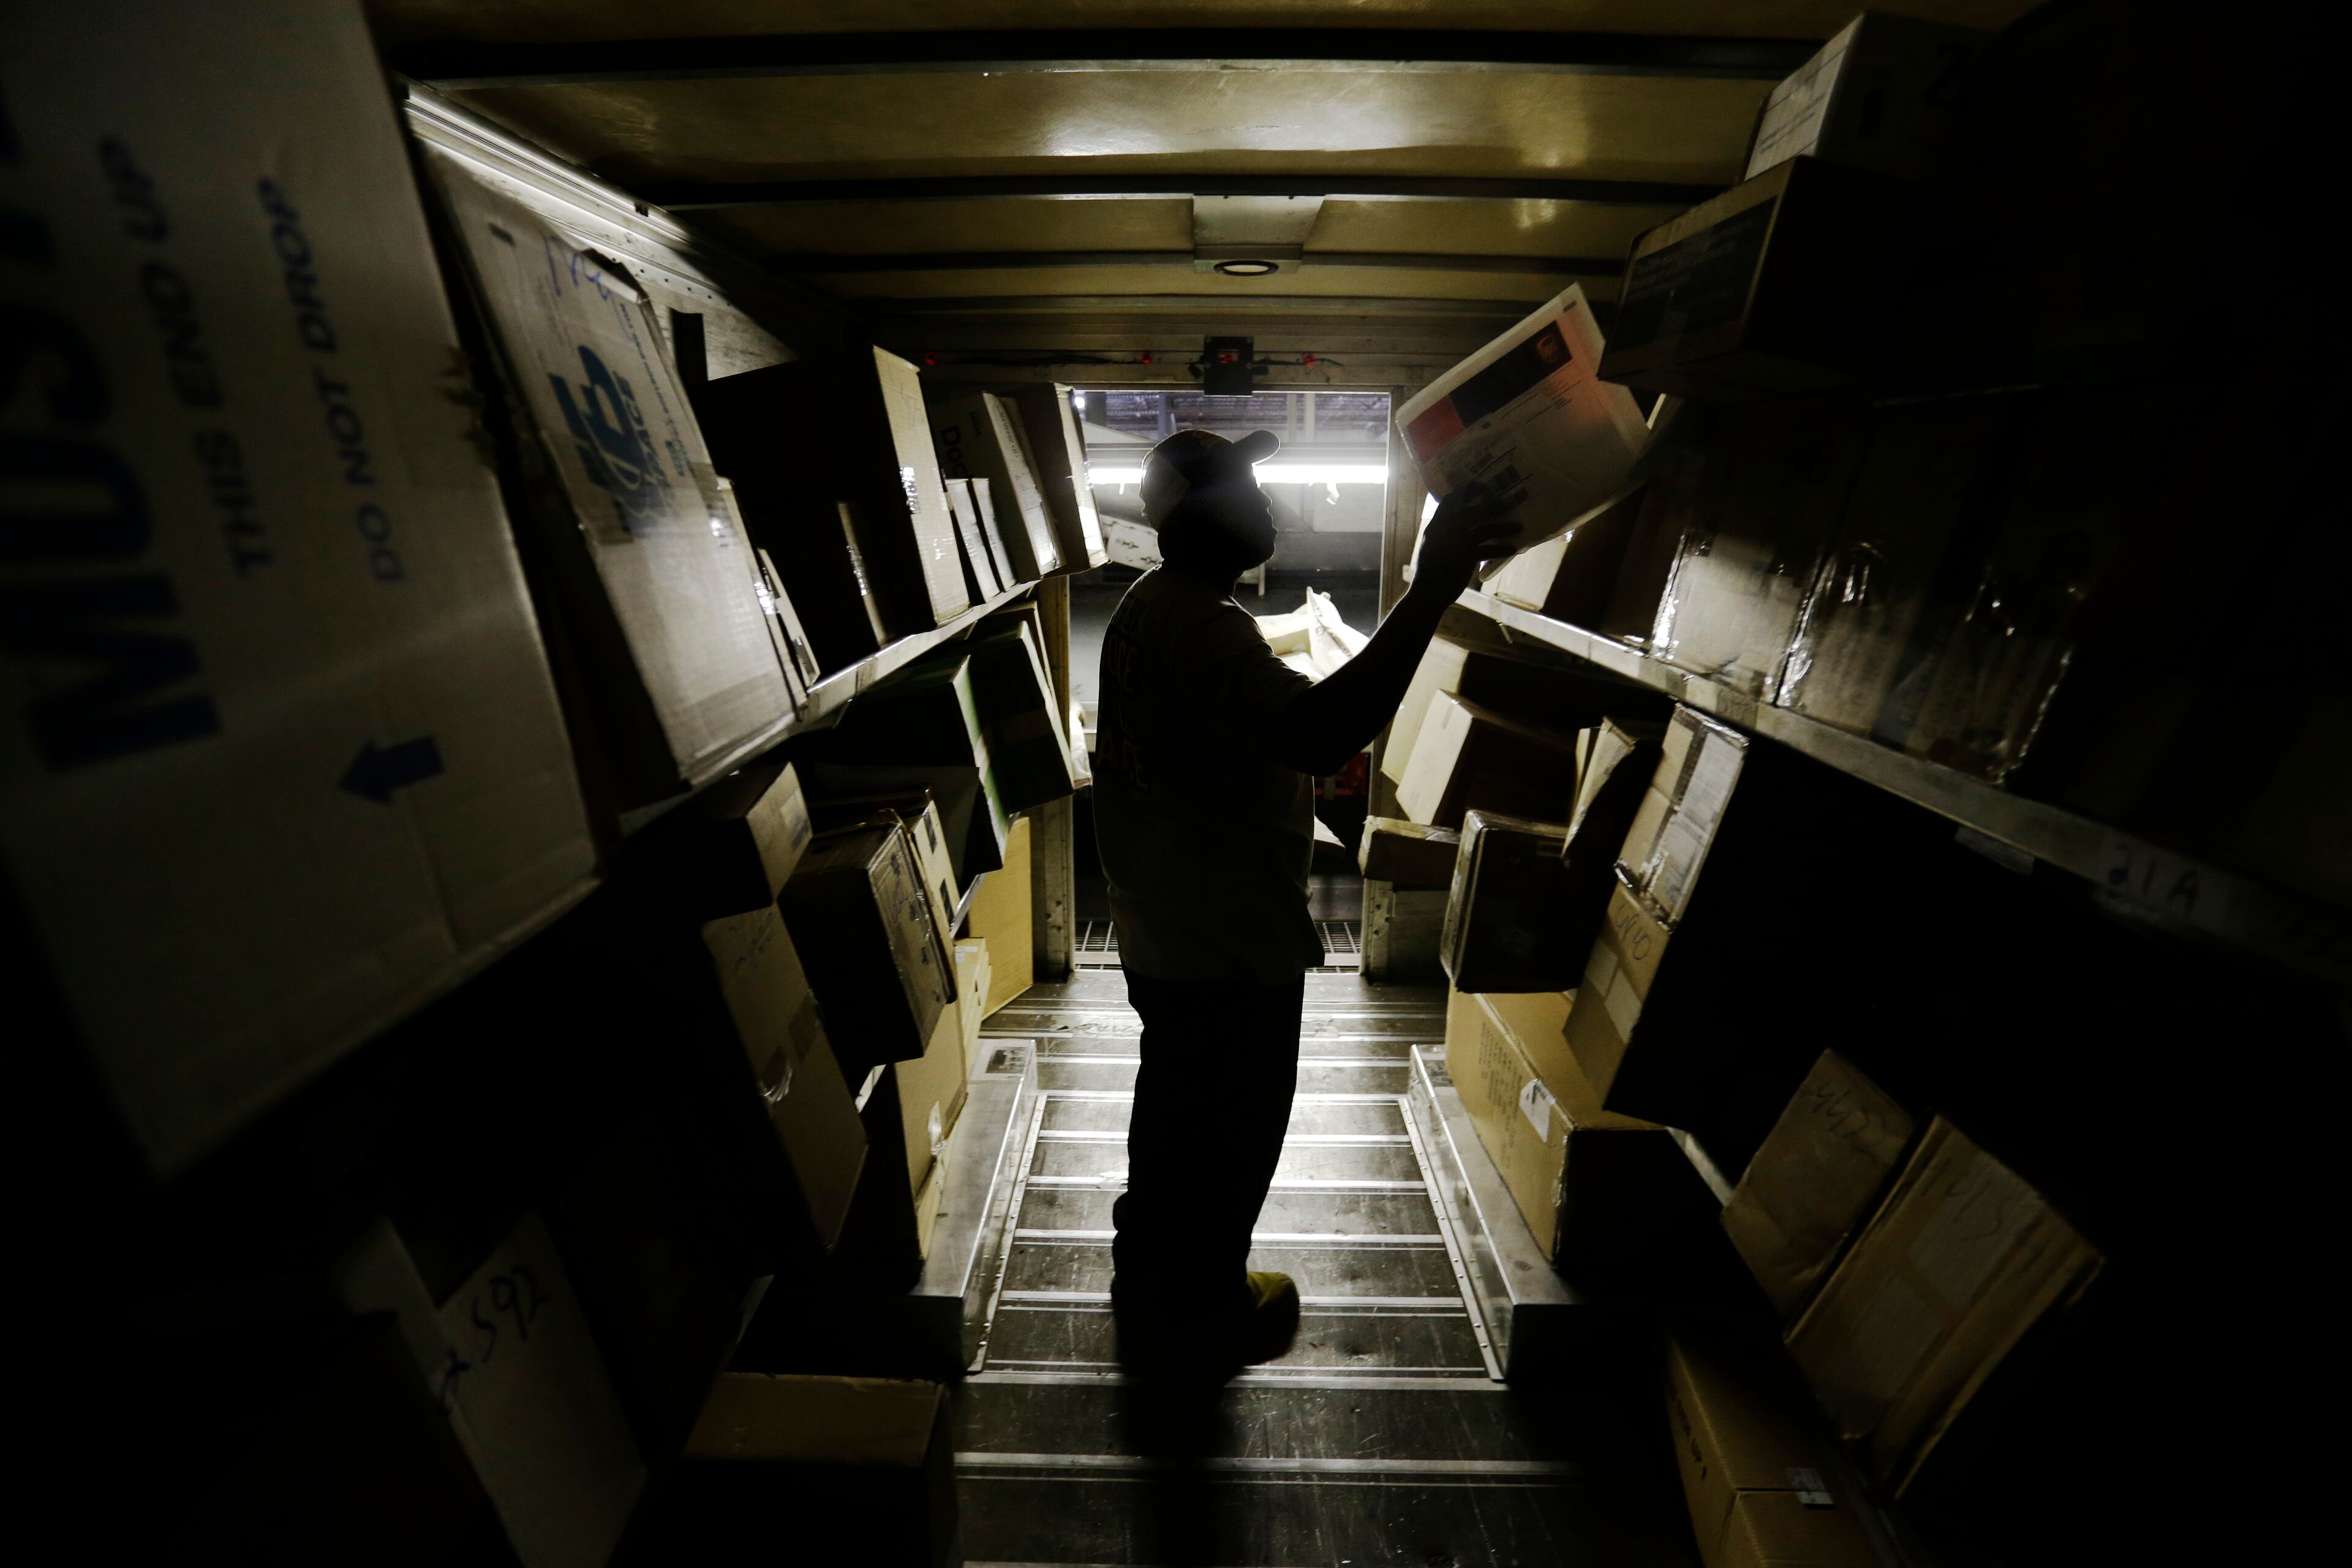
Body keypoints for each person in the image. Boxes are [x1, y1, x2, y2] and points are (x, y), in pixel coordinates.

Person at [1093, 425, 1518, 1378]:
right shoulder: (1198, 621)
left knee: (1176, 1109)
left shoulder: (1154, 607)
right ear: (1200, 510)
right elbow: (1322, 734)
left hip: (1174, 919)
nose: (1272, 508)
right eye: (1250, 489)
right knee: (1230, 1128)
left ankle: (1152, 1279)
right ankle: (1199, 1312)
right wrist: (1434, 587)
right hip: (1218, 930)